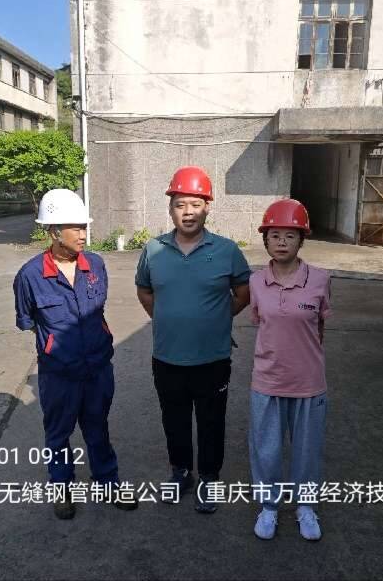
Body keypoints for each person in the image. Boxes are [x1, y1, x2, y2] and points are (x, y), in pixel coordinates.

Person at [13, 188, 137, 519]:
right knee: (58, 434)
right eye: (76, 228)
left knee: (98, 428)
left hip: (98, 368)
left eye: (84, 226)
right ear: (54, 232)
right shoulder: (30, 276)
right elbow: (28, 322)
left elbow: (99, 311)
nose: (84, 234)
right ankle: (63, 488)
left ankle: (107, 482)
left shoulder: (95, 264)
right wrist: (57, 346)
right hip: (59, 375)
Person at [135, 165, 251, 514]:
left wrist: (216, 319)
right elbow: (144, 291)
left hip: (212, 359)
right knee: (174, 420)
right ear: (170, 209)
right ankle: (181, 472)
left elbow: (243, 292)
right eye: (180, 204)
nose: (188, 212)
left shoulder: (227, 250)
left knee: (212, 421)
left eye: (196, 204)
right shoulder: (153, 250)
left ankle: (210, 479)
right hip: (167, 357)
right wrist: (167, 318)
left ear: (207, 208)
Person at [248, 199, 331, 541]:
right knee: (266, 449)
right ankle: (268, 507)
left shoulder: (321, 280)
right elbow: (261, 322)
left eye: (290, 235)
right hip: (267, 380)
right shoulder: (256, 282)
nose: (282, 242)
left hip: (308, 382)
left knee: (307, 451)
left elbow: (319, 327)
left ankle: (305, 507)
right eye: (275, 235)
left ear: (302, 240)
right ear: (266, 240)